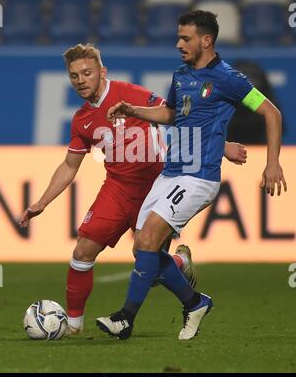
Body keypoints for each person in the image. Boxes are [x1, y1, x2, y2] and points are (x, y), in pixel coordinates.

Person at [19, 43, 246, 335]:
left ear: (103, 72)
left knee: (149, 269)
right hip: (116, 188)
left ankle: (179, 262)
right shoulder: (81, 120)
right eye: (74, 75)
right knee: (83, 250)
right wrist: (41, 202)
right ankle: (73, 326)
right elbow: (69, 166)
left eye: (87, 73)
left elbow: (180, 115)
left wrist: (222, 146)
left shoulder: (131, 94)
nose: (81, 80)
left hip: (155, 184)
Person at [97, 10, 287, 341]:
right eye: (179, 37)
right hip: (170, 173)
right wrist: (134, 110)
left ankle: (125, 318)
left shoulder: (230, 78)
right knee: (145, 252)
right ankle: (195, 302)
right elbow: (173, 113)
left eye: (185, 38)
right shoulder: (181, 75)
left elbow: (271, 113)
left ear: (206, 40)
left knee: (146, 241)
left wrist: (273, 163)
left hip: (199, 177)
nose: (178, 44)